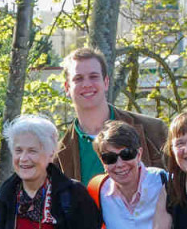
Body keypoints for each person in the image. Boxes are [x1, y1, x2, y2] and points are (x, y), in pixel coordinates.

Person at [55, 47, 167, 184]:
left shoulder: (153, 131)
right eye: (78, 79)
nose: (87, 84)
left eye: (93, 76)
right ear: (67, 88)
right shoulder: (57, 155)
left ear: (106, 82)